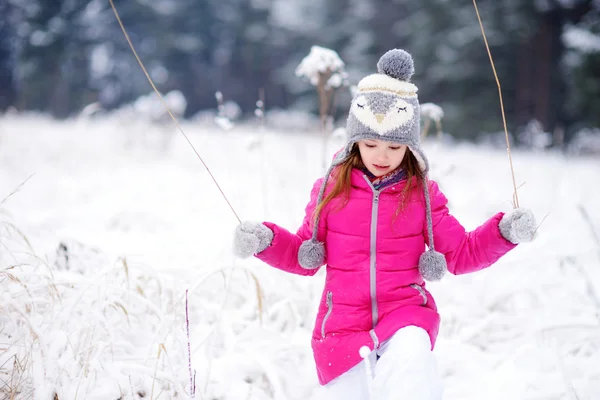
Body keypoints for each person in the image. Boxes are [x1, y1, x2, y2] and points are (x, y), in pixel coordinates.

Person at [233, 49, 536, 400]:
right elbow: (304, 254)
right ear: (354, 141)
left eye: (394, 145)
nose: (381, 156)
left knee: (413, 367)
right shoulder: (331, 192)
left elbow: (461, 253)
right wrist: (264, 240)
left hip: (405, 316)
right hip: (342, 329)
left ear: (409, 146)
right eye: (370, 143)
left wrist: (504, 232)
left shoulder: (422, 195)